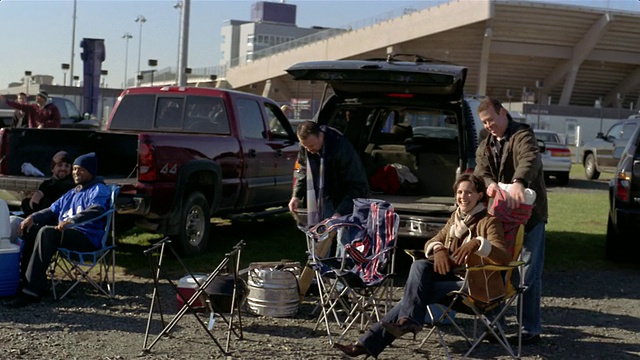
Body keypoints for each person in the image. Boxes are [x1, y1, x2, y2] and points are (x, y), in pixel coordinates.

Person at [333, 173, 511, 358]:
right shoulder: (456, 218)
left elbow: (504, 258)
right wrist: (439, 249)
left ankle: (369, 342)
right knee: (420, 266)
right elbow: (432, 241)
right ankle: (402, 324)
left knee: (417, 294)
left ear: (480, 195)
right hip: (453, 278)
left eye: (468, 193)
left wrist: (478, 243)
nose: (462, 197)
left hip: (476, 284)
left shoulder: (490, 222)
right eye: (459, 192)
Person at [474, 96, 548, 345]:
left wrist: (519, 182)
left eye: (491, 120)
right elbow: (480, 170)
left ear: (503, 113)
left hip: (530, 218)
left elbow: (530, 159)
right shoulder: (486, 143)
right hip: (498, 220)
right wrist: (489, 184)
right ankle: (496, 326)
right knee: (495, 269)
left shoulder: (523, 134)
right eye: (484, 122)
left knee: (527, 274)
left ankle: (530, 329)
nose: (488, 126)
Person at [6, 152, 110, 308]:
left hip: (86, 237)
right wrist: (32, 217)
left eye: (81, 169)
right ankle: (27, 282)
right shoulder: (72, 192)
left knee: (48, 232)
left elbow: (97, 209)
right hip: (67, 233)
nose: (76, 172)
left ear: (91, 171)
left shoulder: (98, 189)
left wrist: (71, 221)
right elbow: (51, 210)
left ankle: (31, 292)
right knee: (31, 229)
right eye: (74, 169)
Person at [289, 120, 369, 227]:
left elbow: (357, 185)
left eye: (312, 146)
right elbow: (303, 172)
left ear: (321, 136)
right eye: (305, 147)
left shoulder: (342, 148)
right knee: (323, 234)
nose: (309, 150)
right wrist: (296, 196)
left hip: (346, 196)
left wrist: (341, 211)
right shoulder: (307, 149)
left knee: (344, 238)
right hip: (325, 197)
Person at [9, 151, 75, 244]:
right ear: (53, 168)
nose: (63, 168)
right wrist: (29, 201)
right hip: (37, 221)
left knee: (14, 223)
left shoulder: (70, 186)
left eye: (67, 166)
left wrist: (41, 194)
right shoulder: (47, 184)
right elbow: (33, 206)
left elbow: (51, 207)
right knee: (9, 220)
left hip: (53, 227)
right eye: (60, 165)